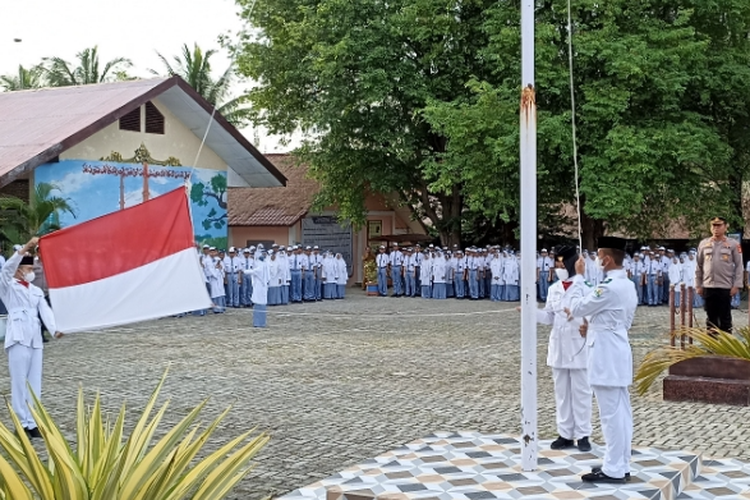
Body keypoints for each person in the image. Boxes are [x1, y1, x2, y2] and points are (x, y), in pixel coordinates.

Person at [565, 237, 638, 483]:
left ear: (606, 259)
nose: (595, 260)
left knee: (611, 414)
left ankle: (614, 468)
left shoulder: (608, 287)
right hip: (617, 347)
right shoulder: (626, 284)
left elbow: (578, 307)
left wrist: (577, 277)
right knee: (621, 411)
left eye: (598, 256)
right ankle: (619, 462)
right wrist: (595, 326)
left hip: (606, 354)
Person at [531, 245, 592, 452]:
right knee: (562, 393)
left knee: (581, 392)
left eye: (562, 263)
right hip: (558, 346)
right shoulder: (553, 289)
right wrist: (530, 312)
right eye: (556, 263)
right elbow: (549, 316)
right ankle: (565, 433)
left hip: (578, 345)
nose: (558, 267)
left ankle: (583, 434)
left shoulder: (585, 286)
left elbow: (591, 316)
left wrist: (584, 323)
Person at [2, 237, 63, 439]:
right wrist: (26, 248)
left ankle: (33, 422)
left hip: (35, 339)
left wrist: (55, 330)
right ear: (19, 270)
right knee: (19, 382)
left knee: (34, 382)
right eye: (28, 269)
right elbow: (6, 270)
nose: (31, 272)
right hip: (18, 338)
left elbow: (45, 312)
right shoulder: (8, 286)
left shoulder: (36, 291)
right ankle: (21, 424)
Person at [696, 217, 743, 333]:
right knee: (711, 318)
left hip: (725, 286)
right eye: (713, 226)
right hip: (708, 286)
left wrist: (736, 285)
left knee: (725, 318)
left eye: (719, 225)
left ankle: (726, 346)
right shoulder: (704, 244)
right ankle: (712, 347)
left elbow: (739, 266)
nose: (715, 228)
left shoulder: (733, 244)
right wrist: (698, 285)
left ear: (726, 227)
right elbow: (699, 266)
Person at [250, 251, 270, 327]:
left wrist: (244, 271)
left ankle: (260, 323)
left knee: (260, 304)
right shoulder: (258, 263)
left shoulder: (262, 264)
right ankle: (258, 322)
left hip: (261, 286)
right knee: (258, 304)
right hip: (258, 286)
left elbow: (256, 271)